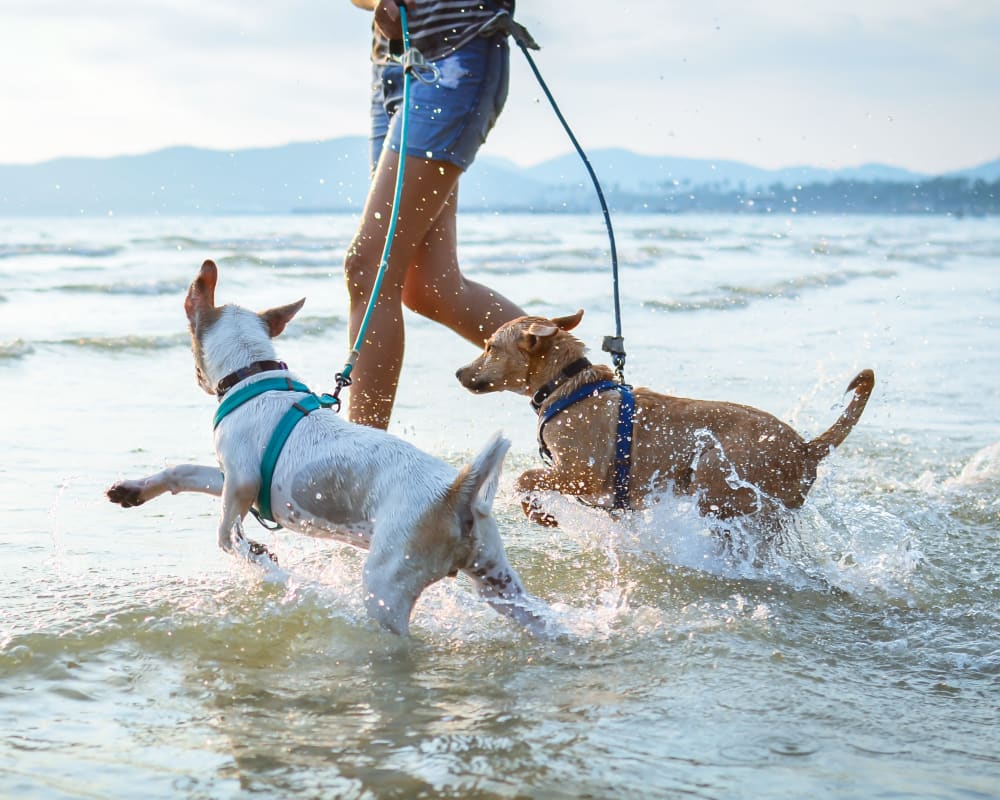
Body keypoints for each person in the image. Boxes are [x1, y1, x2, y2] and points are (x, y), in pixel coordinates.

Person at [344, 0, 525, 429]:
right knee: (430, 288)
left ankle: (359, 463)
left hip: (458, 53)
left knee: (367, 267)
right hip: (393, 69)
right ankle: (593, 395)